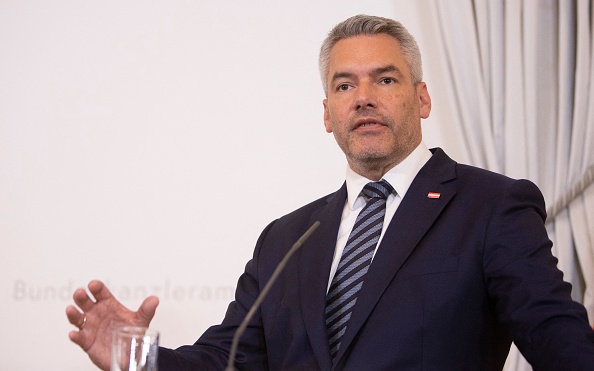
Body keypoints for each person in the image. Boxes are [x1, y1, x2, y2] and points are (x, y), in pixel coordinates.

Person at [66, 14, 594, 370]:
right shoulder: (285, 238)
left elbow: (560, 343)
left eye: (384, 80)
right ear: (326, 113)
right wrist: (139, 356)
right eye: (345, 85)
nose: (363, 98)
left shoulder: (490, 206)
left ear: (422, 98)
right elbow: (227, 360)